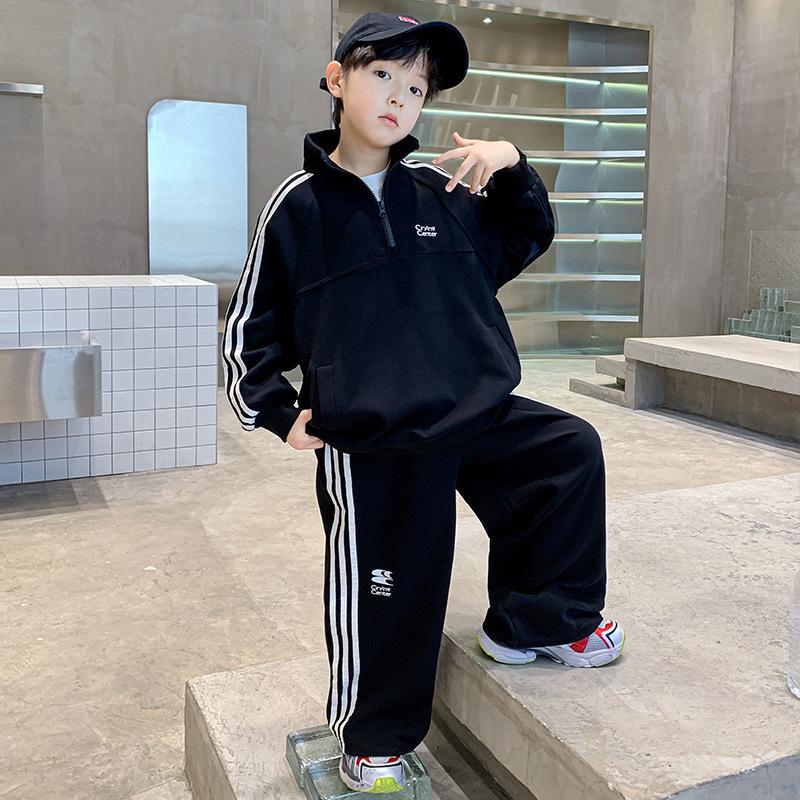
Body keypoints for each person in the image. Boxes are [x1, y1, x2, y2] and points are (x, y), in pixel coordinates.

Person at [221, 11, 626, 794]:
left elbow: (524, 235)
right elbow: (249, 327)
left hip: (475, 407)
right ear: (336, 79)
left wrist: (511, 163)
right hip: (378, 437)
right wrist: (273, 410)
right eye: (382, 75)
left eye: (416, 87)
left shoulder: (442, 191)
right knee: (393, 586)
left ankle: (538, 622)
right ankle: (373, 737)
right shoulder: (299, 206)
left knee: (567, 454)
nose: (399, 97)